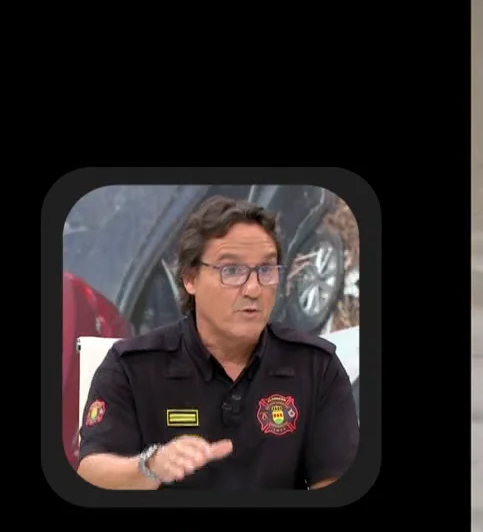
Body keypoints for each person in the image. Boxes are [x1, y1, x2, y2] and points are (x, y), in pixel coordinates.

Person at [73, 196, 359, 492]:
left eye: (265, 270)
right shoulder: (131, 366)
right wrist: (151, 466)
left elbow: (337, 476)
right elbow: (91, 471)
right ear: (190, 279)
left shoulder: (315, 366)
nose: (253, 288)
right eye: (231, 271)